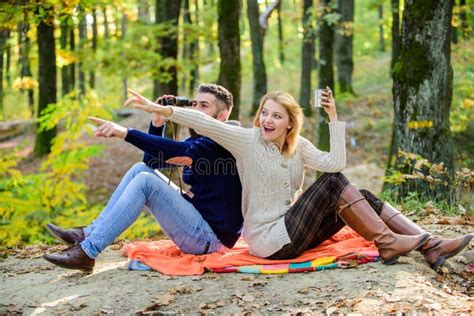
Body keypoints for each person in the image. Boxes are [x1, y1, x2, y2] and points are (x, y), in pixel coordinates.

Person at [125, 88, 472, 270]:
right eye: (265, 113)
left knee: (362, 192)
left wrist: (334, 116)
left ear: (290, 123)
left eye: (277, 116)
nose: (268, 120)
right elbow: (206, 123)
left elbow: (335, 161)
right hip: (268, 239)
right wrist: (163, 111)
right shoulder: (247, 141)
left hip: (294, 230)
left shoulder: (298, 146)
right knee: (333, 184)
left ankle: (430, 245)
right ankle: (389, 242)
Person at [43, 84, 243, 272]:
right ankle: (87, 234)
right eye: (194, 104)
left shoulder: (222, 143)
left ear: (222, 115)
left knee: (145, 182)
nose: (196, 110)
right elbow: (152, 162)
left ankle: (88, 251)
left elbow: (178, 150)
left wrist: (125, 132)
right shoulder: (201, 141)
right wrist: (157, 123)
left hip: (210, 239)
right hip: (200, 225)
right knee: (140, 170)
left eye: (204, 106)